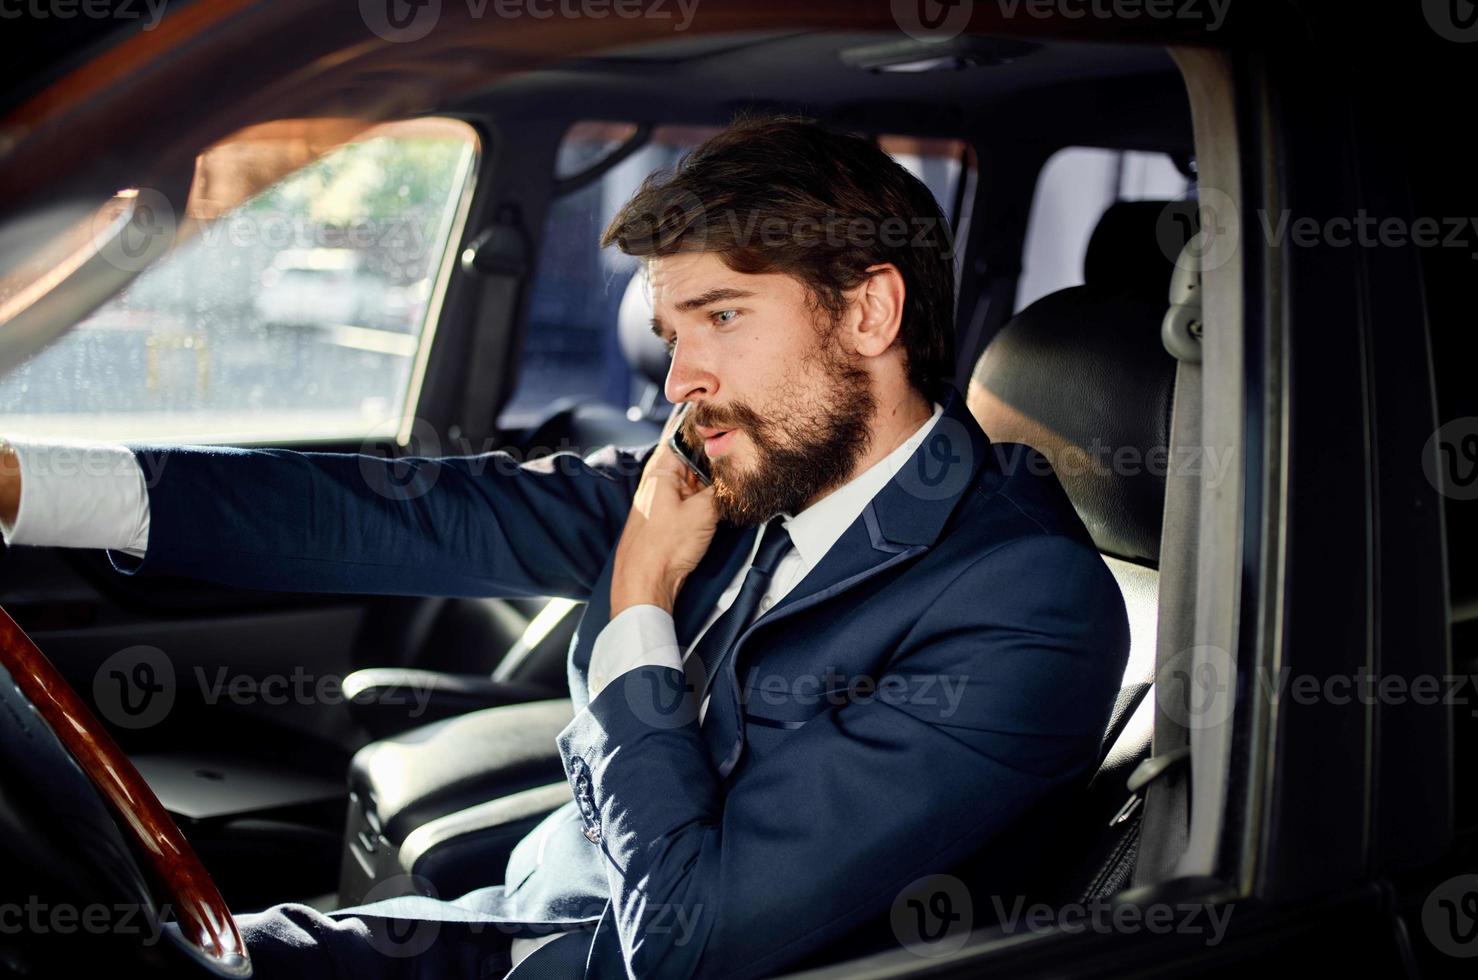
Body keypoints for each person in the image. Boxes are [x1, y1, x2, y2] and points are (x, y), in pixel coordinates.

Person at [0, 115, 1129, 979]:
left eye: (723, 317)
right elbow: (404, 510)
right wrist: (22, 488)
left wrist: (640, 597)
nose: (679, 382)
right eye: (670, 332)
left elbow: (684, 940)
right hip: (506, 918)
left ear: (869, 315)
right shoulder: (743, 464)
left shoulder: (1025, 601)